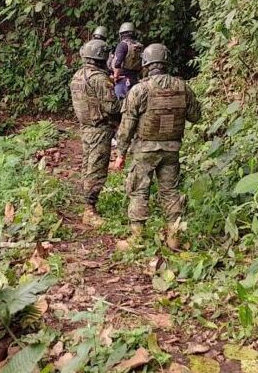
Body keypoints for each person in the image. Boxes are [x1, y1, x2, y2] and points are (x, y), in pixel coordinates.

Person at [112, 43, 201, 249]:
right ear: (166, 62)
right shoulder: (182, 87)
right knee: (170, 191)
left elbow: (127, 126)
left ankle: (137, 238)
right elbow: (195, 116)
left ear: (145, 64)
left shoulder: (140, 90)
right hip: (171, 149)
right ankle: (174, 237)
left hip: (145, 150)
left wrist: (120, 153)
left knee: (139, 190)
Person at [69, 39, 121, 227]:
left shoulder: (78, 75)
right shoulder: (99, 79)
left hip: (86, 127)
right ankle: (89, 210)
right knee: (97, 168)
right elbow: (113, 107)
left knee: (87, 165)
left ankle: (85, 201)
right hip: (100, 128)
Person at [111, 22, 143, 100]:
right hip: (135, 79)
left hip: (123, 80)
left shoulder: (122, 45)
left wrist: (115, 76)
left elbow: (118, 63)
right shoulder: (140, 46)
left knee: (120, 102)